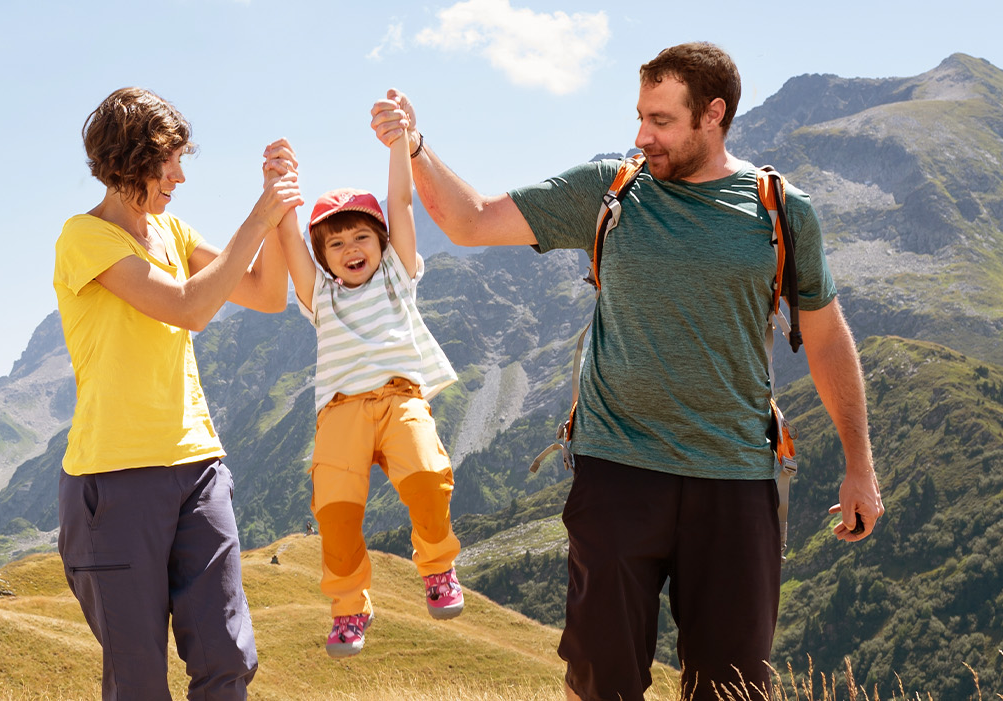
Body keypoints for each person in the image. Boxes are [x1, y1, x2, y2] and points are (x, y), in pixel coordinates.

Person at [369, 43, 885, 700]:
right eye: (640, 115)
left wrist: (859, 463)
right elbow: (468, 220)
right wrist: (416, 147)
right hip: (616, 477)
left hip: (735, 482)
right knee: (600, 683)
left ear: (713, 116)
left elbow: (826, 336)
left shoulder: (779, 211)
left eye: (662, 120)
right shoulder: (610, 189)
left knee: (732, 688)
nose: (643, 134)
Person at [53, 86, 301, 700]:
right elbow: (188, 307)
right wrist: (258, 216)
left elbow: (269, 294)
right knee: (138, 681)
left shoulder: (173, 231)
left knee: (226, 656)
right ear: (129, 161)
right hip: (113, 482)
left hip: (197, 468)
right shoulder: (85, 239)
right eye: (169, 162)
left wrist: (282, 203)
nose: (180, 177)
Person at [272, 110, 464, 659]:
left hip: (400, 398)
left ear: (381, 242)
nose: (350, 248)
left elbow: (401, 203)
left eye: (361, 235)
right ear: (322, 257)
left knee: (427, 476)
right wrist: (280, 184)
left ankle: (437, 567)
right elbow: (288, 234)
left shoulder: (398, 275)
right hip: (340, 413)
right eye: (335, 243)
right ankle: (349, 609)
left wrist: (400, 142)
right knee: (335, 512)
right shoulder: (319, 297)